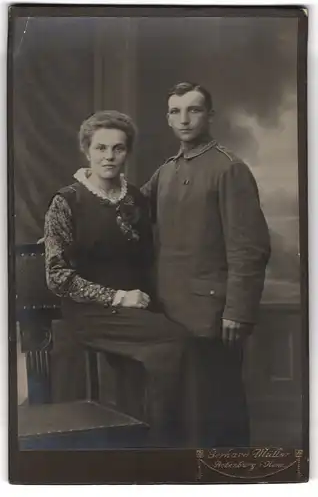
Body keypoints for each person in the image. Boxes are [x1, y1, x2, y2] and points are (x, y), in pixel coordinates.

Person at [44, 110, 189, 447]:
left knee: (176, 345)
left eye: (118, 149)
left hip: (136, 308)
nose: (109, 157)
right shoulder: (66, 202)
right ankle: (162, 444)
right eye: (100, 148)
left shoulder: (136, 198)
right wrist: (119, 297)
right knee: (173, 341)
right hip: (90, 312)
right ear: (86, 150)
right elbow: (57, 277)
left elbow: (148, 258)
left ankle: (148, 444)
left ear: (128, 152)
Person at [141, 82, 271, 447]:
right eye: (175, 111)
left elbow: (250, 248)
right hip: (169, 312)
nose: (184, 119)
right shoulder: (166, 171)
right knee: (179, 415)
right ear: (167, 118)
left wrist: (237, 311)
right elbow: (130, 208)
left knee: (216, 412)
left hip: (213, 315)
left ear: (209, 116)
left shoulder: (229, 169)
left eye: (193, 110)